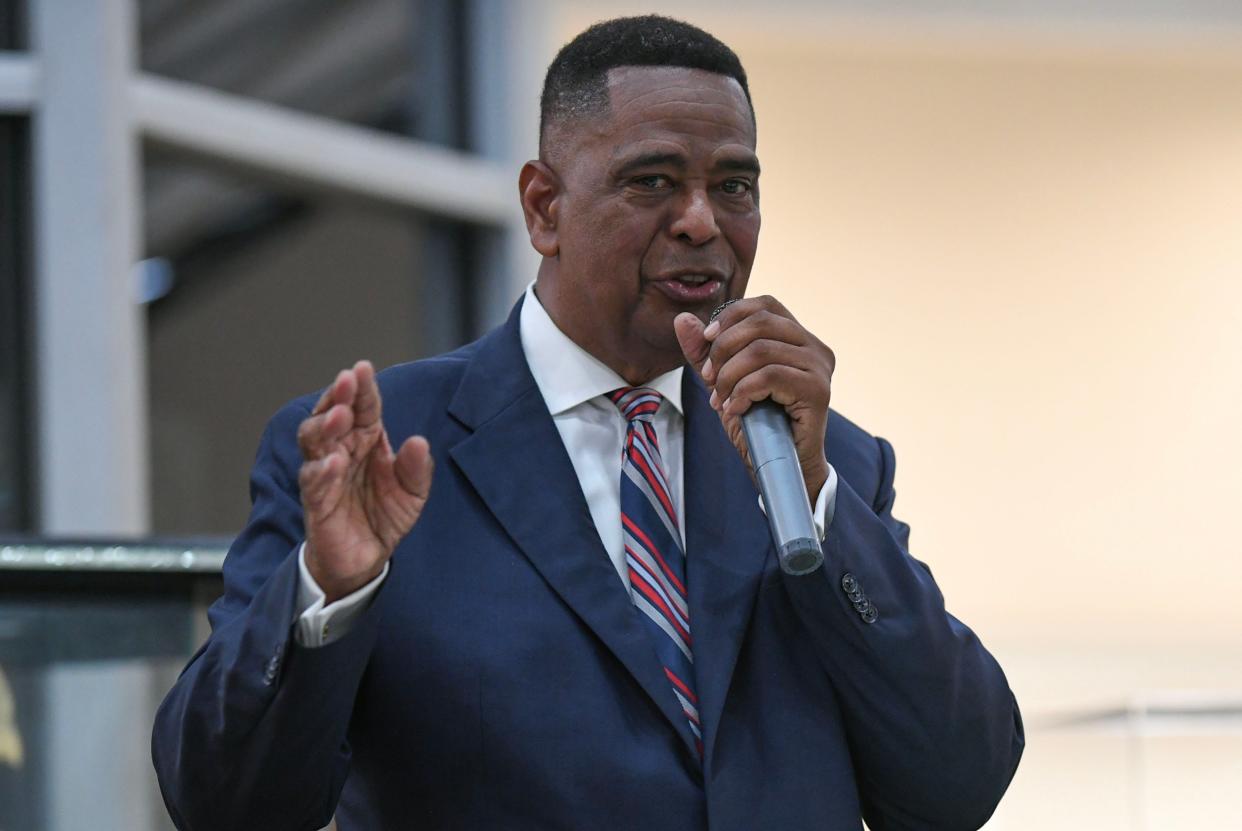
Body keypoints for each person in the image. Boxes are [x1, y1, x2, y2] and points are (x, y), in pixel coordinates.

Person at [152, 15, 1023, 830]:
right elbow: (225, 801)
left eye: (735, 185)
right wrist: (331, 593)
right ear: (544, 208)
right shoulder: (381, 452)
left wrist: (823, 509)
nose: (701, 220)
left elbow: (955, 784)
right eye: (653, 180)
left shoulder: (826, 460)